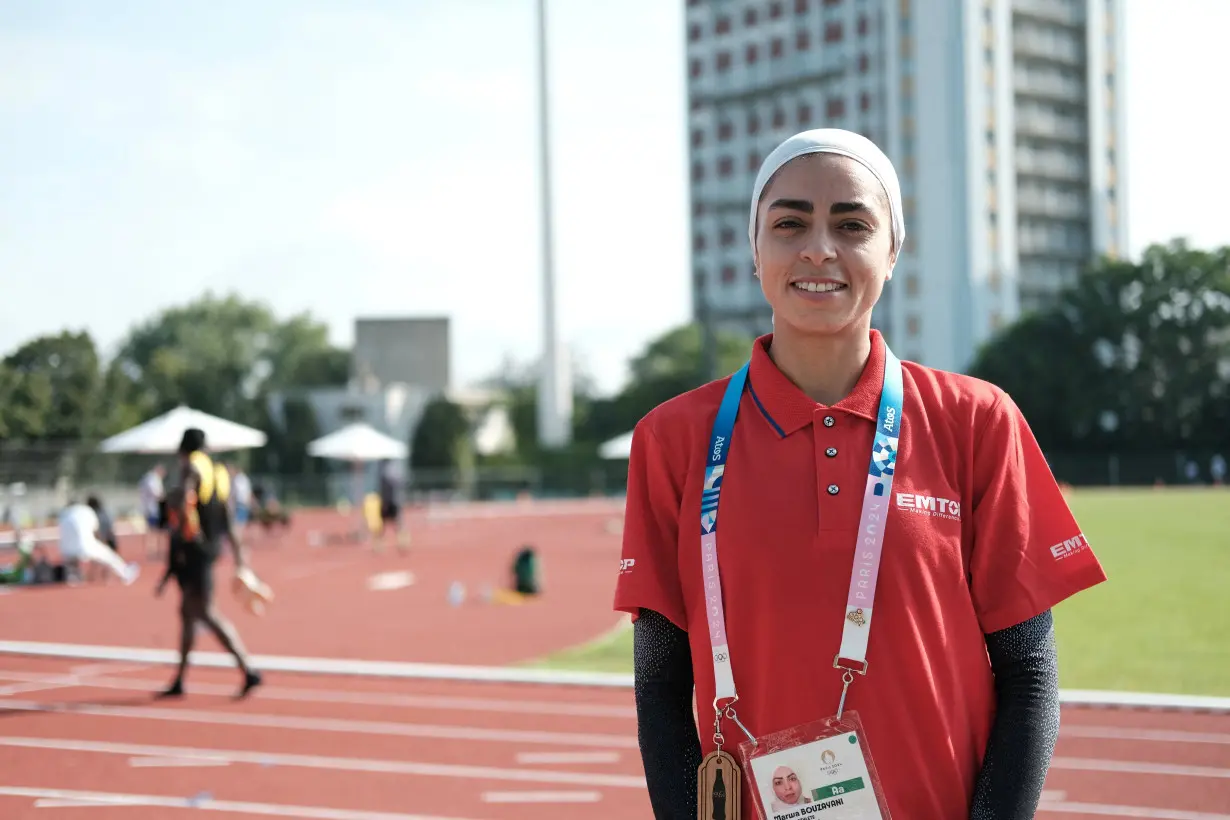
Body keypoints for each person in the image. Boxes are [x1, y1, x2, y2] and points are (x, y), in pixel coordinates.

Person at [613, 129, 1107, 819]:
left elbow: (1029, 674)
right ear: (755, 250)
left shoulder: (978, 421)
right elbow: (659, 684)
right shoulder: (673, 439)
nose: (819, 248)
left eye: (852, 224)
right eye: (789, 223)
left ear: (892, 251)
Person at [156, 427, 262, 699]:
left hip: (194, 551)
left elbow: (183, 503)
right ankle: (179, 678)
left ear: (183, 449)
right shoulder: (218, 473)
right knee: (187, 613)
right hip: (211, 549)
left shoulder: (191, 468)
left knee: (206, 612)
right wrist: (240, 559)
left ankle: (247, 667)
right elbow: (229, 518)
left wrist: (170, 505)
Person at [57, 498, 139, 585]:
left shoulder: (64, 513)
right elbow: (96, 531)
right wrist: (101, 543)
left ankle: (73, 577)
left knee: (71, 561)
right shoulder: (86, 510)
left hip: (65, 549)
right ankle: (125, 573)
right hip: (86, 546)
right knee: (109, 556)